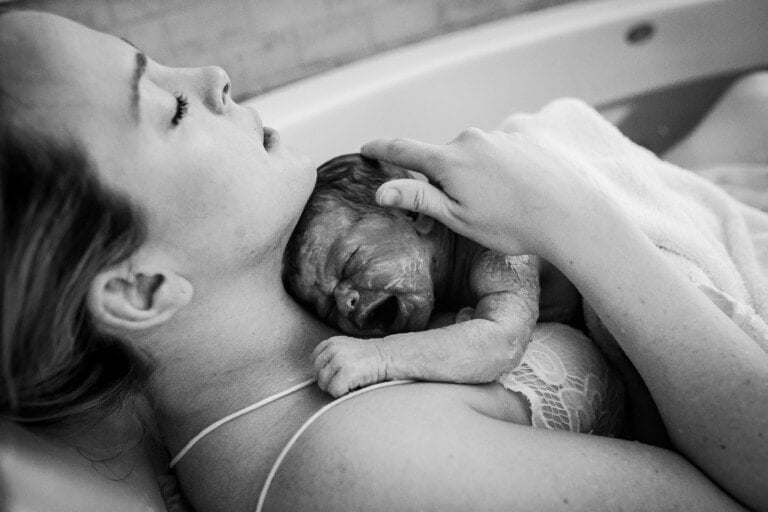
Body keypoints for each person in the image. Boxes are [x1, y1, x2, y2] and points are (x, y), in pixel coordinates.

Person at [1, 10, 765, 512]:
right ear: (141, 288)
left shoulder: (297, 285)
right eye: (168, 109)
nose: (212, 77)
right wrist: (573, 219)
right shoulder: (364, 469)